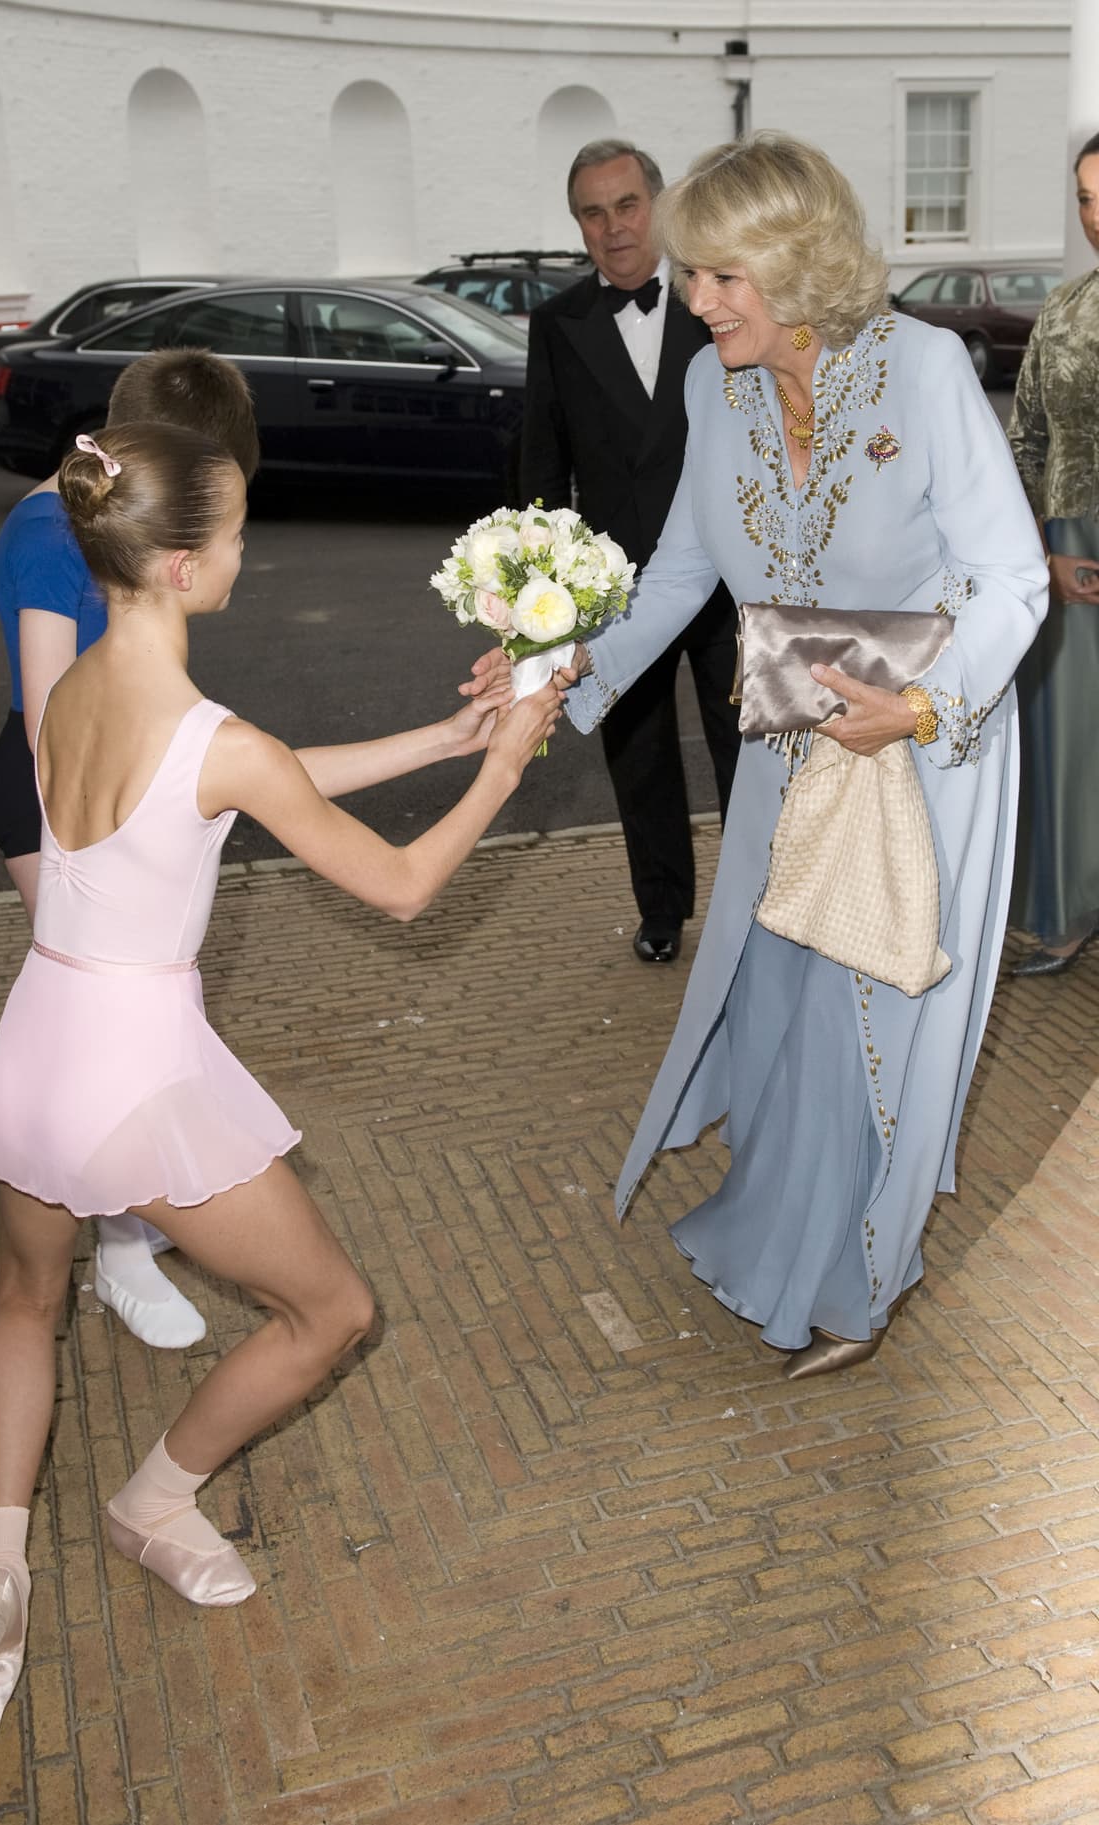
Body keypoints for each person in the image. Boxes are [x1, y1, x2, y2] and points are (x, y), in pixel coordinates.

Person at [0, 421, 563, 1784]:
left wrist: (443, 732)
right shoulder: (217, 737)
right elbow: (390, 884)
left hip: (41, 1029)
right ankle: (154, 1499)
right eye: (236, 534)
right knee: (333, 1313)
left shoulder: (71, 688)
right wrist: (501, 766)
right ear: (182, 561)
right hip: (138, 1069)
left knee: (22, 1301)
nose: (246, 551)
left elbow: (236, 787)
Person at [480, 132, 1047, 1378]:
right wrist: (560, 666)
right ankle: (776, 1231)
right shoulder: (713, 390)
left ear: (796, 266)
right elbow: (683, 571)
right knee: (782, 996)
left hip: (921, 744)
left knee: (876, 1019)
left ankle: (856, 1279)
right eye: (691, 276)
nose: (696, 302)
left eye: (722, 277)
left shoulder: (925, 368)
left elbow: (1010, 580)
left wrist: (921, 708)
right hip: (792, 729)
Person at [0, 350, 264, 1350]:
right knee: (106, 1017)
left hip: (102, 776)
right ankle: (121, 1241)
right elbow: (51, 719)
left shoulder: (93, 510)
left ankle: (126, 1217)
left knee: (126, 1020)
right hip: (54, 793)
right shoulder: (51, 528)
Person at [520, 136, 740, 965]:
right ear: (578, 224)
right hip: (615, 589)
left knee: (743, 746)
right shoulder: (558, 325)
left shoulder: (714, 298)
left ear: (657, 204)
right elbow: (541, 466)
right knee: (639, 761)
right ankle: (662, 910)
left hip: (723, 576)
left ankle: (759, 903)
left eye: (626, 205)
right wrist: (539, 592)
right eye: (592, 212)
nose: (612, 227)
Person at [1005, 129, 1099, 976]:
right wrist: (1044, 552)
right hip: (1074, 558)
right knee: (1068, 749)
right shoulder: (1064, 312)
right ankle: (1067, 914)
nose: (1096, 215)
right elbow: (1023, 442)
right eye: (1084, 197)